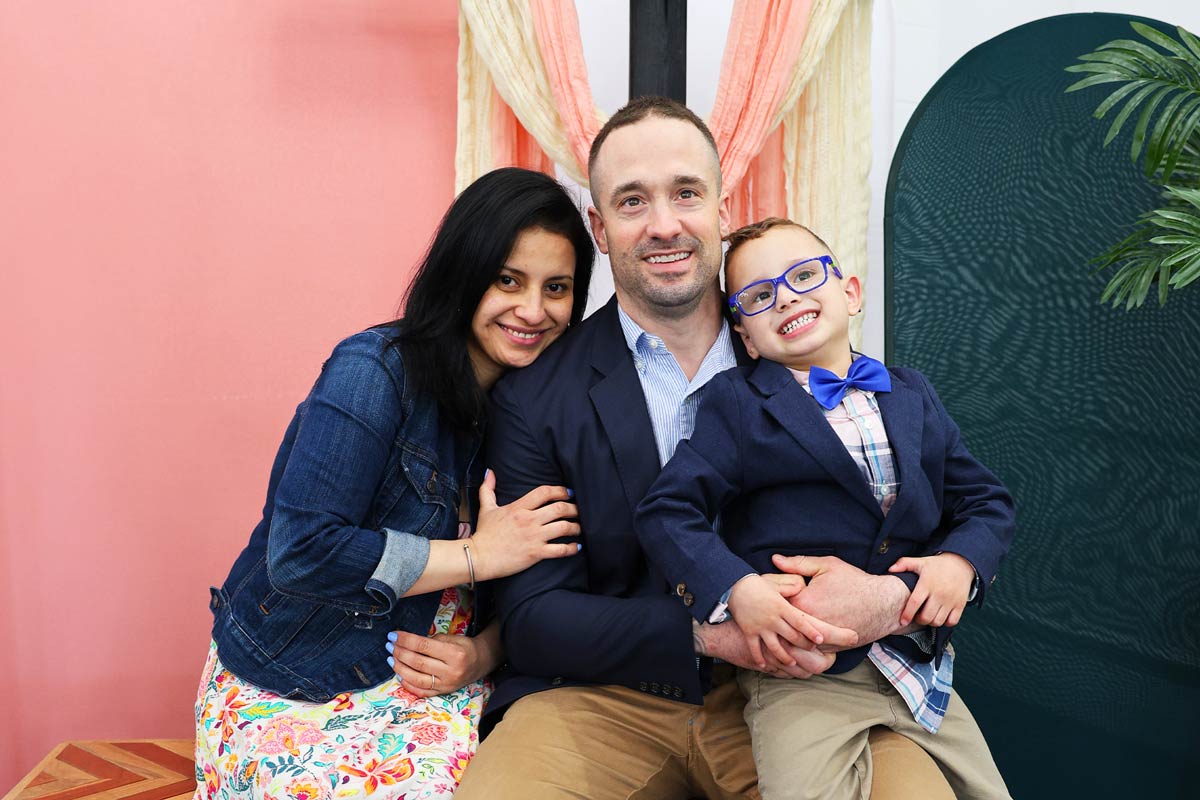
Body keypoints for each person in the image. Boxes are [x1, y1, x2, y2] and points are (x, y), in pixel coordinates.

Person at [454, 97, 960, 799]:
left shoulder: (805, 342)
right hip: (602, 697)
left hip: (819, 692)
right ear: (600, 229)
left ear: (723, 209)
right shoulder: (536, 398)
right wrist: (707, 633)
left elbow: (945, 521)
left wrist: (888, 598)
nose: (664, 224)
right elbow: (534, 620)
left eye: (686, 193)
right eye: (632, 201)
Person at [193, 167, 594, 800]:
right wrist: (477, 555)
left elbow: (564, 573)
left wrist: (485, 653)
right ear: (464, 273)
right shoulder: (373, 371)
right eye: (507, 280)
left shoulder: (548, 410)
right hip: (295, 679)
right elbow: (302, 553)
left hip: (443, 684)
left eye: (557, 288)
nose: (532, 310)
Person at [634, 217, 1015, 799]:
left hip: (917, 664)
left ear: (851, 292)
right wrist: (737, 590)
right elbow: (667, 510)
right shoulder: (738, 403)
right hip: (802, 677)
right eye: (759, 296)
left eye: (804, 276)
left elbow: (986, 500)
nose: (786, 297)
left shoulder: (912, 393)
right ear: (747, 338)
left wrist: (959, 564)